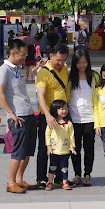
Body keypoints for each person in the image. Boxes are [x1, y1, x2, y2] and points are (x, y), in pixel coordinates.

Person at [0, 38, 40, 193]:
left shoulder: (16, 69)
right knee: (19, 150)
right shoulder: (4, 70)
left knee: (28, 150)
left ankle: (19, 179)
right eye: (23, 55)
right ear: (13, 53)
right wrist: (11, 114)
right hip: (18, 116)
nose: (24, 58)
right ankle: (11, 182)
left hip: (28, 113)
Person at [35, 43, 70, 188]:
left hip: (63, 115)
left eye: (64, 60)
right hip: (47, 116)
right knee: (44, 147)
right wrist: (48, 115)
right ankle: (41, 178)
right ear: (51, 56)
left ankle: (60, 179)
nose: (61, 63)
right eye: (58, 60)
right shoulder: (44, 72)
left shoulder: (65, 68)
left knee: (61, 147)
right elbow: (41, 96)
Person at [68, 49, 99, 186]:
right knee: (74, 148)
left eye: (84, 62)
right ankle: (77, 174)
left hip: (90, 118)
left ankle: (87, 174)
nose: (81, 65)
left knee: (89, 148)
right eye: (79, 63)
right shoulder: (69, 77)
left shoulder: (94, 77)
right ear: (74, 63)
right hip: (74, 118)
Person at [44, 99, 76, 191]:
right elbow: (47, 134)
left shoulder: (69, 123)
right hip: (54, 150)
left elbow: (71, 135)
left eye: (66, 109)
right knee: (52, 167)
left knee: (64, 168)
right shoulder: (52, 122)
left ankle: (65, 182)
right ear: (56, 110)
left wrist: (72, 147)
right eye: (62, 109)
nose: (64, 111)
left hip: (65, 150)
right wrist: (48, 146)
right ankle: (50, 182)